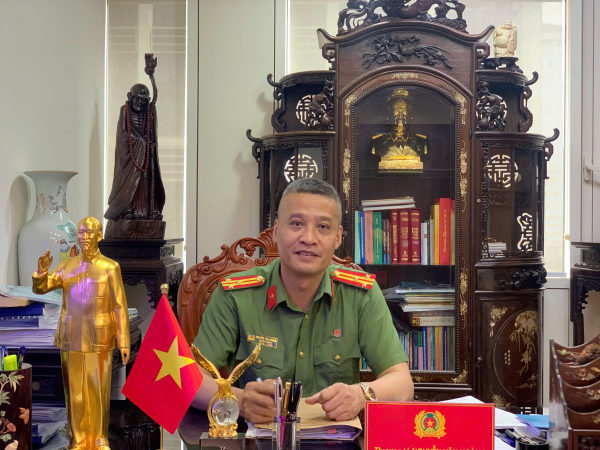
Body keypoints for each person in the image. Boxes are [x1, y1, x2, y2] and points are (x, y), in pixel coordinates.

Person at [192, 178, 413, 424]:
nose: (309, 238)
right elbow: (190, 380)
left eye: (323, 227)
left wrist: (361, 395)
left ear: (337, 238)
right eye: (296, 224)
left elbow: (403, 384)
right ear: (276, 231)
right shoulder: (235, 295)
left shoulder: (361, 294)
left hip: (337, 438)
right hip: (260, 436)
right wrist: (240, 401)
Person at [32, 217, 130, 450]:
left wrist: (124, 341)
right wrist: (41, 271)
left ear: (99, 236)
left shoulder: (110, 267)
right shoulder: (66, 266)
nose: (84, 237)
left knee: (98, 389)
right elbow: (42, 288)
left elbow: (119, 305)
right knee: (74, 392)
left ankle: (99, 438)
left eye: (89, 233)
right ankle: (77, 439)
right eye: (81, 232)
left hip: (100, 338)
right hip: (71, 337)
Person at [105, 55, 165, 222]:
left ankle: (147, 211)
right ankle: (128, 209)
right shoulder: (125, 111)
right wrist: (140, 143)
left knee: (145, 183)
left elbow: (155, 100)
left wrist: (151, 76)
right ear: (129, 96)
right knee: (131, 183)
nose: (140, 102)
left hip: (145, 158)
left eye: (143, 100)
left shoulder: (149, 112)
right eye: (136, 98)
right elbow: (123, 135)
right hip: (131, 160)